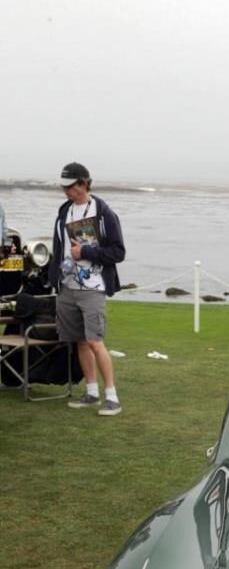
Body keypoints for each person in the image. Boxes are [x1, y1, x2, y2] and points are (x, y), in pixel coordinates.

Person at [49, 162, 125, 416]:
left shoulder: (104, 214)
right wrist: (55, 278)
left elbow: (118, 252)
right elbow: (59, 247)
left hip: (93, 287)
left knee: (95, 341)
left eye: (70, 186)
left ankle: (112, 397)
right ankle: (92, 393)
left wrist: (86, 252)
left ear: (83, 184)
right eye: (64, 187)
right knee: (80, 341)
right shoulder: (64, 211)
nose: (66, 191)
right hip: (67, 286)